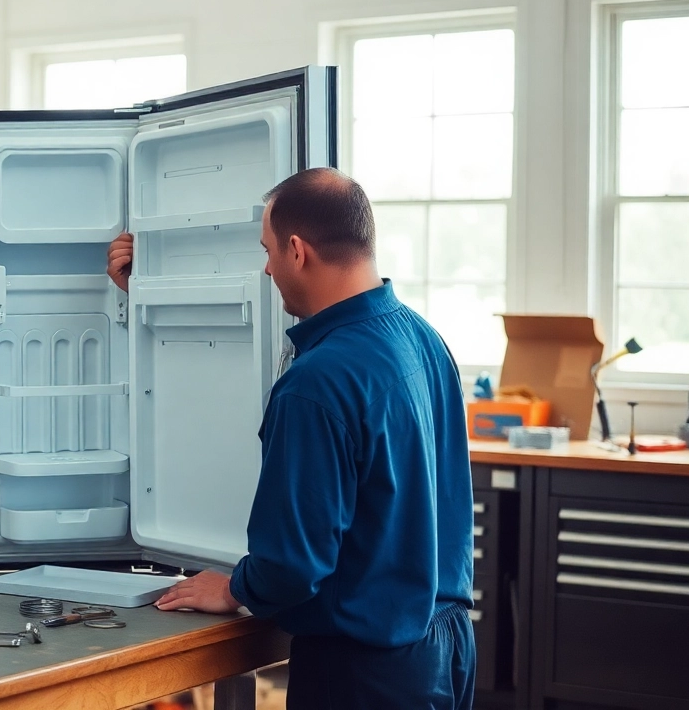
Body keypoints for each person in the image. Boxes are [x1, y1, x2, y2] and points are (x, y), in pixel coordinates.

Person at [107, 167, 475, 709]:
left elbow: (294, 564)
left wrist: (234, 587)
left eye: (268, 250)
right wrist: (149, 284)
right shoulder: (421, 337)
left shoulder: (318, 382)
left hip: (364, 672)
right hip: (445, 650)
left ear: (297, 251)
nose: (267, 268)